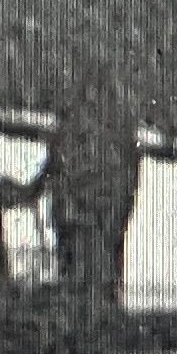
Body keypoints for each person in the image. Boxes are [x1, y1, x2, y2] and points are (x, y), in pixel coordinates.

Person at [34, 86, 143, 318]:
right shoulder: (71, 133)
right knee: (77, 264)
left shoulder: (111, 135)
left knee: (94, 264)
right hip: (78, 215)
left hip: (95, 215)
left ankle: (97, 307)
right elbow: (52, 171)